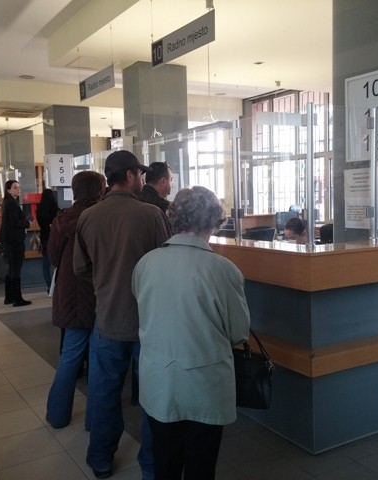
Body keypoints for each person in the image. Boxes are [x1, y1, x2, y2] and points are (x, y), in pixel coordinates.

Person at [132, 186, 251, 479]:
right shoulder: (223, 269)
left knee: (165, 461)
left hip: (157, 378)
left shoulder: (146, 263)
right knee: (201, 464)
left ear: (174, 217)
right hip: (205, 383)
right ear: (213, 221)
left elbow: (143, 311)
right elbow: (239, 332)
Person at [74, 150, 171, 480]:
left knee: (104, 393)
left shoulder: (88, 216)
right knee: (152, 397)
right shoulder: (151, 215)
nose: (143, 179)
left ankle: (101, 458)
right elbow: (165, 266)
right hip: (147, 322)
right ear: (129, 175)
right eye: (140, 174)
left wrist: (107, 280)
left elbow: (79, 268)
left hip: (107, 320)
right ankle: (151, 466)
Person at [46, 171, 105, 429]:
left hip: (70, 291)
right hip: (99, 290)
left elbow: (53, 256)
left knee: (70, 355)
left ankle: (57, 415)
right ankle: (94, 421)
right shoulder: (103, 217)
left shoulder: (62, 219)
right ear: (101, 190)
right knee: (98, 358)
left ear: (74, 190)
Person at [0, 180, 32, 307]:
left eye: (19, 187)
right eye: (15, 188)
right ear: (8, 190)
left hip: (8, 240)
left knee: (11, 268)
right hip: (14, 240)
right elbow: (14, 222)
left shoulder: (7, 202)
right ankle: (17, 299)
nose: (18, 189)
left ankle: (9, 297)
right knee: (16, 269)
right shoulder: (12, 203)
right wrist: (27, 223)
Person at [36, 188, 60, 292]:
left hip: (44, 237)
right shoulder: (56, 209)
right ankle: (57, 285)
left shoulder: (39, 209)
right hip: (55, 238)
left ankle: (49, 286)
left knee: (46, 263)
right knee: (58, 262)